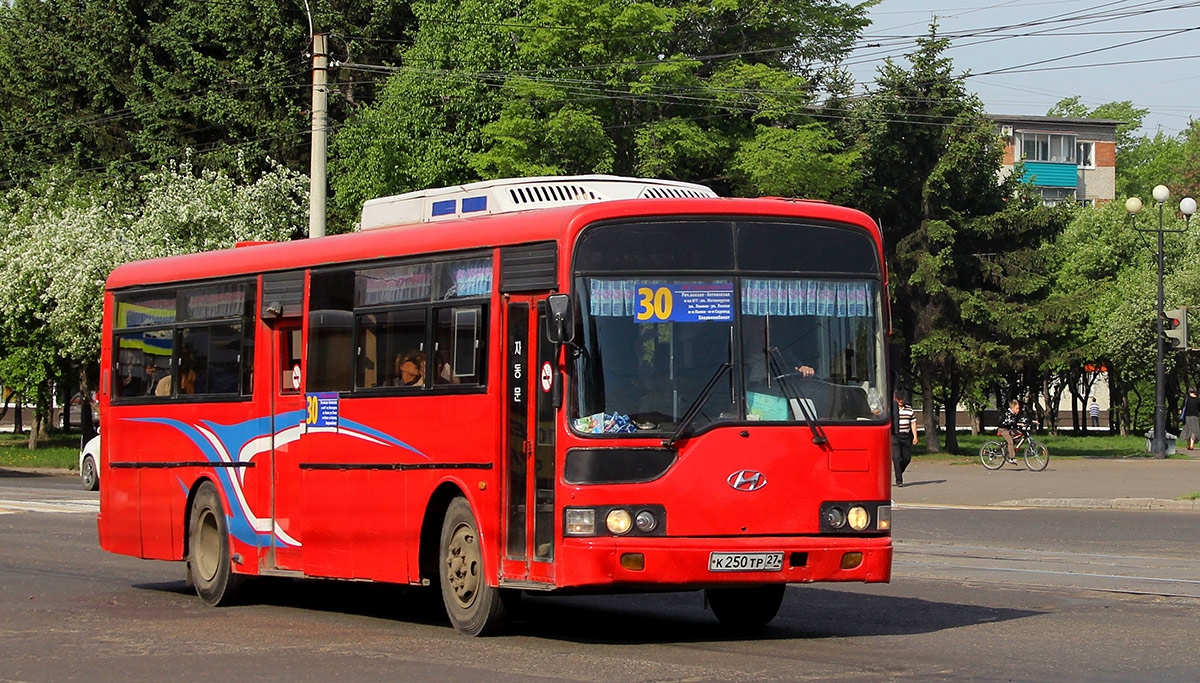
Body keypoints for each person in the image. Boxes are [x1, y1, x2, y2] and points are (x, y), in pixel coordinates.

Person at [892, 392, 917, 487]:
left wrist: (915, 436)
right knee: (896, 458)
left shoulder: (909, 410)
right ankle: (899, 480)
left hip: (906, 436)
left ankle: (899, 471)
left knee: (907, 458)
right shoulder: (892, 410)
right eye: (899, 399)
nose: (901, 401)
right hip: (895, 436)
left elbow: (913, 423)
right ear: (896, 399)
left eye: (902, 399)